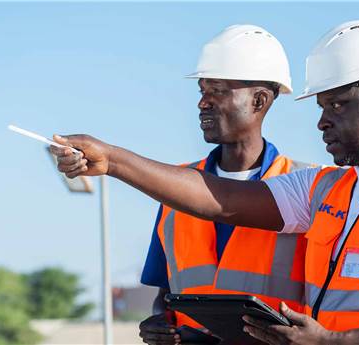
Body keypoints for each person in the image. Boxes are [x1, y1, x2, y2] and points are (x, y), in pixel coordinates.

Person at [50, 20, 359, 344]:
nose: (321, 122)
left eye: (336, 106)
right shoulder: (326, 187)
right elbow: (221, 199)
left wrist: (333, 344)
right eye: (321, 106)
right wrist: (112, 160)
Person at [137, 24, 311, 345]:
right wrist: (160, 324)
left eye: (217, 90)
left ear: (259, 100)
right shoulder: (175, 189)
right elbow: (166, 293)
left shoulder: (308, 189)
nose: (203, 102)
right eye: (202, 90)